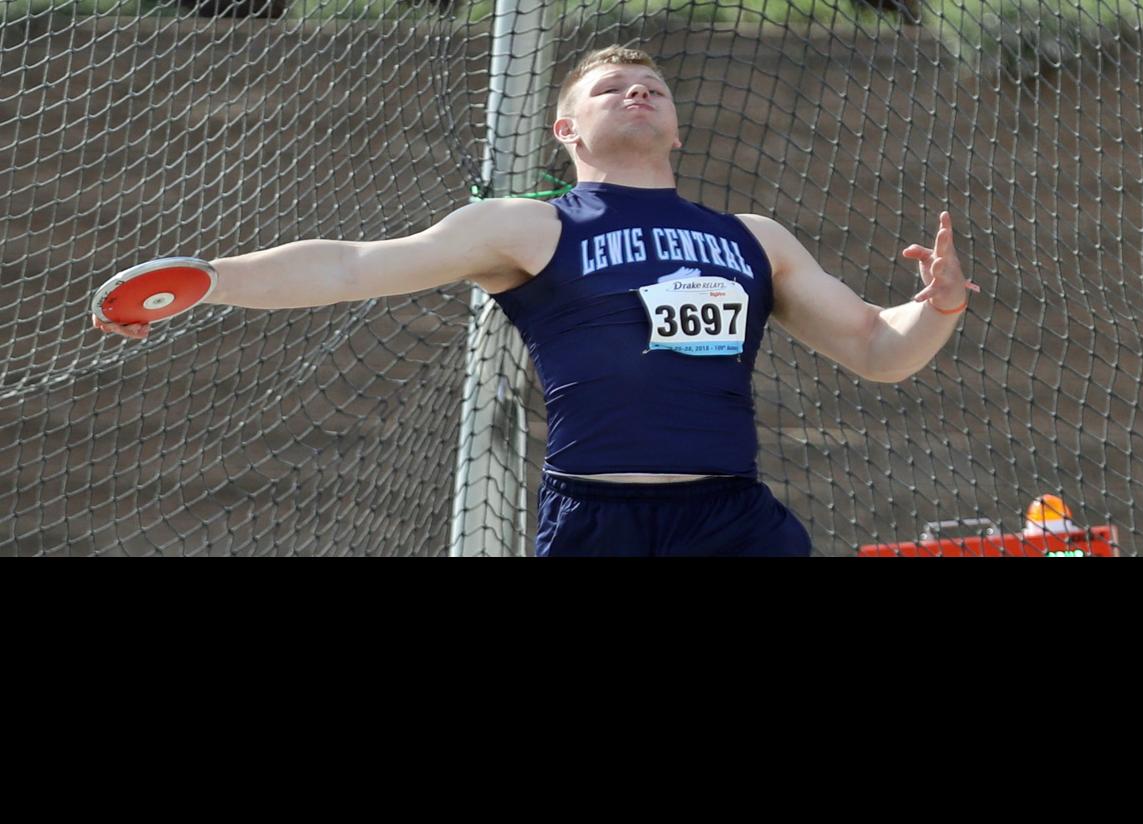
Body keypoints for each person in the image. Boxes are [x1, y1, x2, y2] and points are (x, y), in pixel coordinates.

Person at [91, 45, 978, 556]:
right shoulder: (525, 227)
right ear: (566, 128)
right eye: (610, 88)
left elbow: (874, 348)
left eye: (654, 89)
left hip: (734, 521)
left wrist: (933, 310)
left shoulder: (755, 235)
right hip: (597, 521)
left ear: (674, 126)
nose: (638, 91)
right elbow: (354, 265)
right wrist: (214, 280)